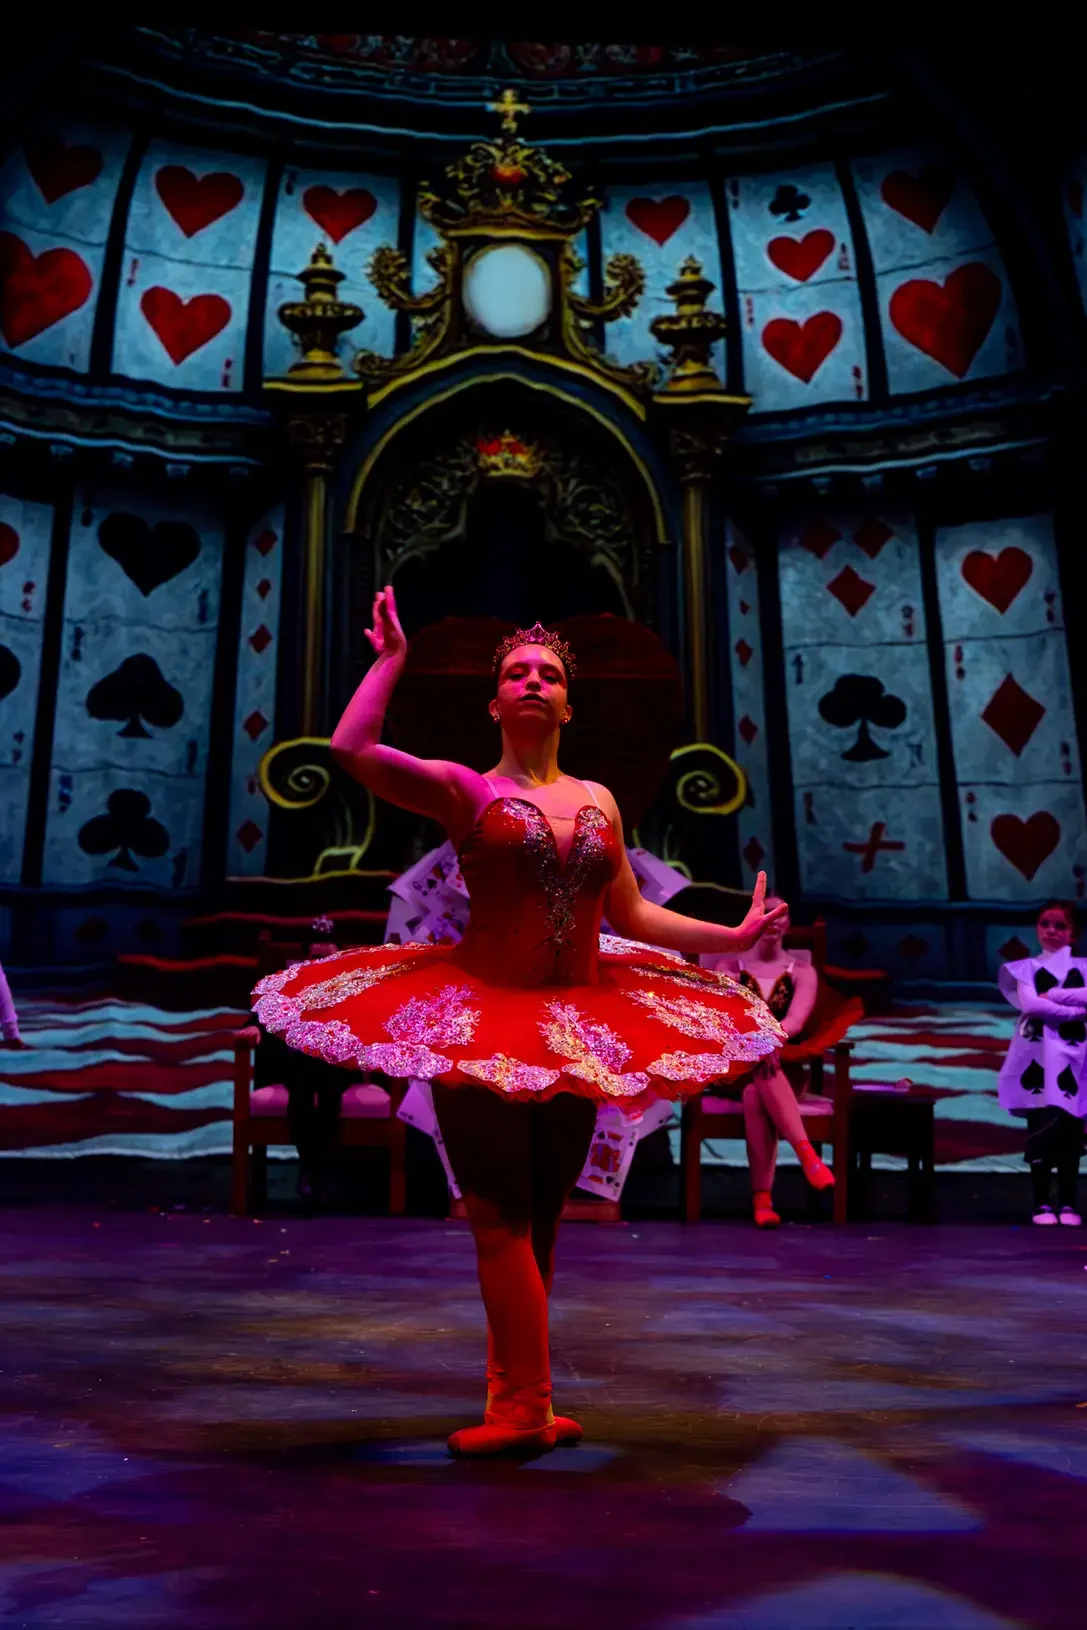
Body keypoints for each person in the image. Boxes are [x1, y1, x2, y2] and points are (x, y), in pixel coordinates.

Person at [254, 588, 788, 1457]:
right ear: (494, 701)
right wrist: (391, 660)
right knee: (497, 1213)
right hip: (478, 1017)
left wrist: (729, 935)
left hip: (578, 1019)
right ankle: (520, 1412)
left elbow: (632, 916)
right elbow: (351, 749)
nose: (532, 680)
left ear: (568, 704)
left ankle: (521, 1398)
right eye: (515, 673)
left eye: (547, 673)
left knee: (540, 1215)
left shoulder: (600, 800)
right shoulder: (467, 791)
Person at [703, 897, 835, 1227]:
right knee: (752, 1082)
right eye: (767, 914)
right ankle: (807, 1156)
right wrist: (756, 1043)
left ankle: (762, 1199)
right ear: (753, 919)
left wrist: (767, 1041)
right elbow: (727, 1018)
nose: (774, 921)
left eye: (782, 915)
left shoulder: (802, 972)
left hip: (784, 1065)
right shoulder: (729, 968)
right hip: (737, 1067)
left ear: (788, 924)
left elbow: (796, 1021)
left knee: (757, 1088)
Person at [998, 901, 1087, 1226]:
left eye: (1059, 925)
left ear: (1072, 932)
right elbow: (1033, 1005)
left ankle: (1067, 1202)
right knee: (1040, 1127)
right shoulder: (1025, 970)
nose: (1051, 931)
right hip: (1036, 1058)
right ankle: (1040, 1203)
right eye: (1045, 924)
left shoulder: (1084, 966)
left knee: (1071, 1129)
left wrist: (1055, 998)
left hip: (1075, 1058)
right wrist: (1074, 1007)